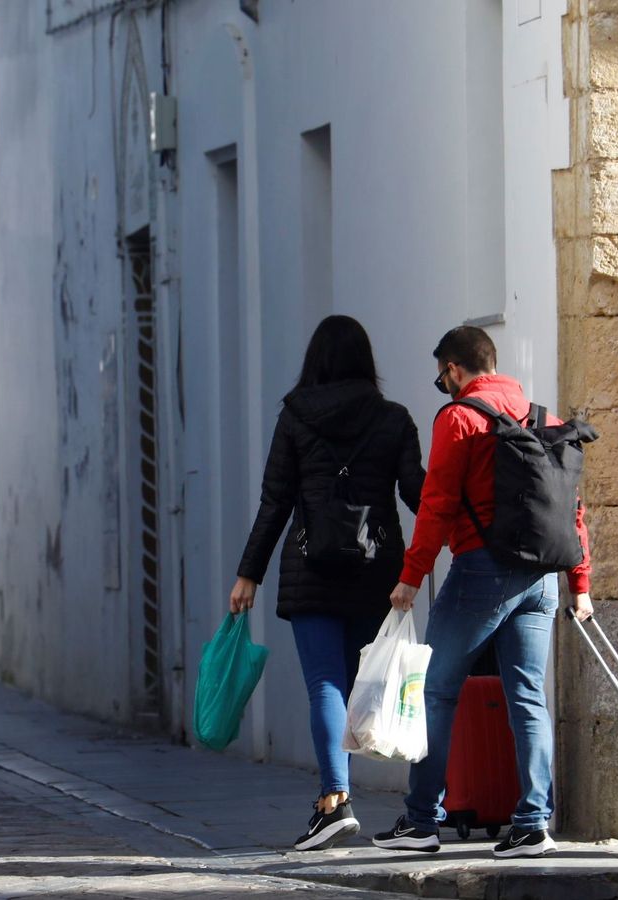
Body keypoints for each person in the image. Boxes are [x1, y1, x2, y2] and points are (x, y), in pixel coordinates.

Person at [371, 325, 592, 860]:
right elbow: (571, 508)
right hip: (541, 578)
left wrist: (412, 574)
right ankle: (534, 822)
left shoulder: (460, 418)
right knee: (528, 698)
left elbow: (438, 502)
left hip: (482, 572)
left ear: (453, 369)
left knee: (436, 691)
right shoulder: (545, 418)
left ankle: (422, 819)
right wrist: (579, 583)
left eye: (441, 374)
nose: (441, 383)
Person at [231, 315, 425, 852]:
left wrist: (250, 572)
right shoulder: (394, 419)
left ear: (314, 360)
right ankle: (417, 805)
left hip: (310, 565)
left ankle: (334, 800)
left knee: (326, 683)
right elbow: (418, 494)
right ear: (366, 361)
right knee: (375, 680)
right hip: (377, 568)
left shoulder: (295, 418)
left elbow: (275, 501)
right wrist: (459, 535)